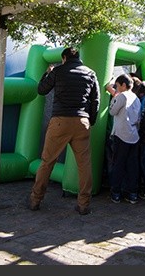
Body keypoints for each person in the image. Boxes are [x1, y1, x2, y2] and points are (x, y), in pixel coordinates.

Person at [29, 47, 100, 216]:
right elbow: (95, 100)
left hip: (60, 121)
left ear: (64, 58)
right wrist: (90, 121)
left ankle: (35, 200)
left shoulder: (58, 71)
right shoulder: (91, 73)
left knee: (47, 162)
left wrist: (47, 73)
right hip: (82, 121)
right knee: (84, 165)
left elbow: (42, 90)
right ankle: (84, 204)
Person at [106, 74, 142, 204]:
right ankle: (132, 193)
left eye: (117, 85)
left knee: (118, 164)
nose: (116, 87)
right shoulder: (136, 98)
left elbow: (112, 111)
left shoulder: (121, 96)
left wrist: (113, 96)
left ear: (123, 85)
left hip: (121, 134)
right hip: (134, 135)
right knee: (132, 165)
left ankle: (116, 192)